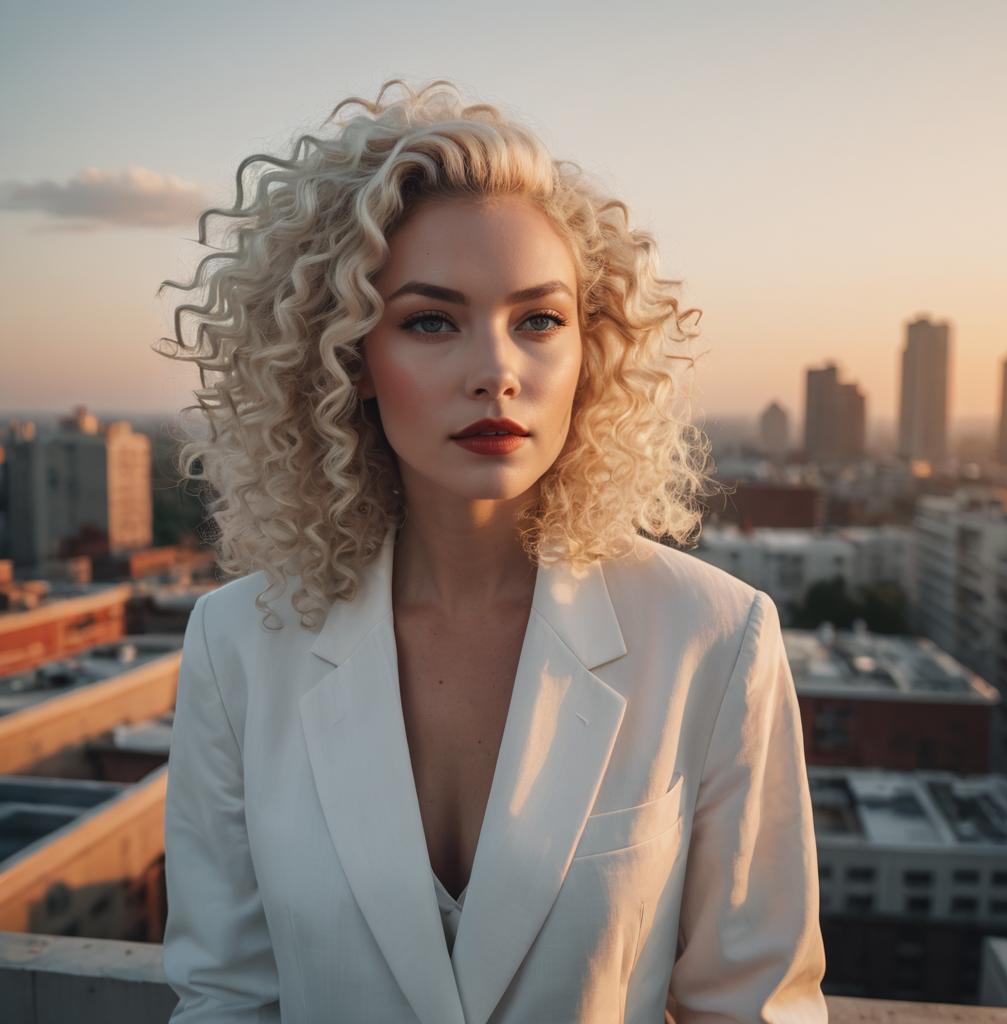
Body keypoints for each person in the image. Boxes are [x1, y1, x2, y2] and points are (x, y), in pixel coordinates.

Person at [156, 78, 827, 1024]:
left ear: (588, 353)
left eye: (538, 321)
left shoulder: (714, 638)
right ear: (345, 358)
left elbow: (757, 1008)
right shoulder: (236, 644)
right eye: (432, 320)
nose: (497, 372)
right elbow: (225, 998)